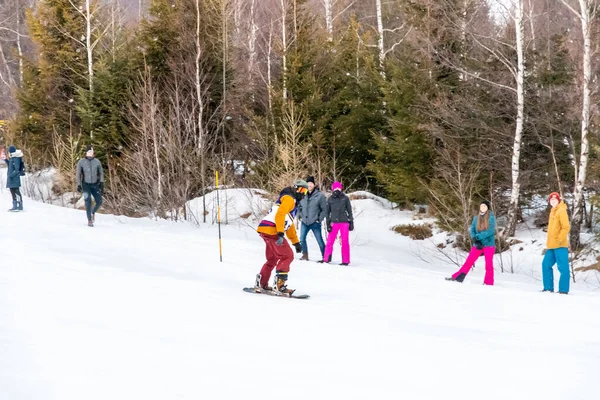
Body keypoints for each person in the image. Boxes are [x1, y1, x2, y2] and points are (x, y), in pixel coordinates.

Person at [254, 180, 308, 295]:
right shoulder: (290, 199)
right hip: (273, 230)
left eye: (306, 191)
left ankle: (261, 284)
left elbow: (289, 224)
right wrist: (280, 232)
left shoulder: (288, 200)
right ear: (295, 188)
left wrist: (296, 242)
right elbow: (280, 215)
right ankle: (280, 286)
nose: (303, 193)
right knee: (287, 256)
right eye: (302, 190)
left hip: (265, 229)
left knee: (272, 259)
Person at [446, 200, 496, 285]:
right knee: (469, 261)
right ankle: (458, 277)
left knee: (488, 264)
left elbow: (489, 231)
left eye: (484, 206)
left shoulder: (491, 218)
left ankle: (488, 282)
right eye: (481, 206)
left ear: (488, 208)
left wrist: (477, 237)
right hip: (477, 243)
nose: (482, 208)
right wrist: (474, 238)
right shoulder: (476, 218)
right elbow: (472, 228)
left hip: (488, 244)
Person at [541, 192, 571, 294]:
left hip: (560, 245)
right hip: (551, 245)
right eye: (551, 200)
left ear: (558, 200)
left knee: (563, 267)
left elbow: (566, 226)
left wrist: (560, 238)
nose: (553, 201)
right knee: (546, 264)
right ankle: (548, 288)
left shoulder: (561, 210)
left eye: (555, 199)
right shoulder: (552, 211)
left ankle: (563, 290)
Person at [320, 181, 354, 266]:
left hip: (344, 222)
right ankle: (326, 258)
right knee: (330, 241)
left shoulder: (345, 198)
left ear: (341, 189)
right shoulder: (330, 199)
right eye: (335, 188)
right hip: (334, 222)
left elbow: (349, 211)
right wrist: (328, 225)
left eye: (339, 188)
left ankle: (345, 260)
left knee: (345, 241)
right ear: (333, 189)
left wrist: (351, 222)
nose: (337, 190)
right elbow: (327, 213)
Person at [298, 176, 327, 261]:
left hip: (315, 222)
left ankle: (325, 257)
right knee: (302, 239)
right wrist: (299, 216)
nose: (309, 185)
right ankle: (305, 255)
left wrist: (319, 219)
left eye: (311, 183)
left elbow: (324, 210)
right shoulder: (302, 194)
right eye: (308, 183)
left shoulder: (319, 195)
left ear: (314, 185)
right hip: (304, 222)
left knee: (320, 240)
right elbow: (299, 206)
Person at [76, 146, 104, 227]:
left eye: (91, 153)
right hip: (85, 184)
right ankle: (89, 220)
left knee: (99, 201)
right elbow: (78, 174)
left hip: (95, 184)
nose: (90, 154)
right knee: (88, 202)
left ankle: (93, 212)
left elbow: (101, 172)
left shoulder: (97, 162)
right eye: (89, 153)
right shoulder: (81, 162)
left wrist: (101, 183)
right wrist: (78, 184)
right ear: (86, 153)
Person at [6, 145, 25, 212]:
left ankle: (20, 206)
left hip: (14, 178)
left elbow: (16, 170)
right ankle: (15, 205)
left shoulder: (16, 158)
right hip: (11, 178)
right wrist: (5, 160)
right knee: (12, 191)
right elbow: (10, 165)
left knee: (17, 192)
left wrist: (11, 176)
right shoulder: (12, 158)